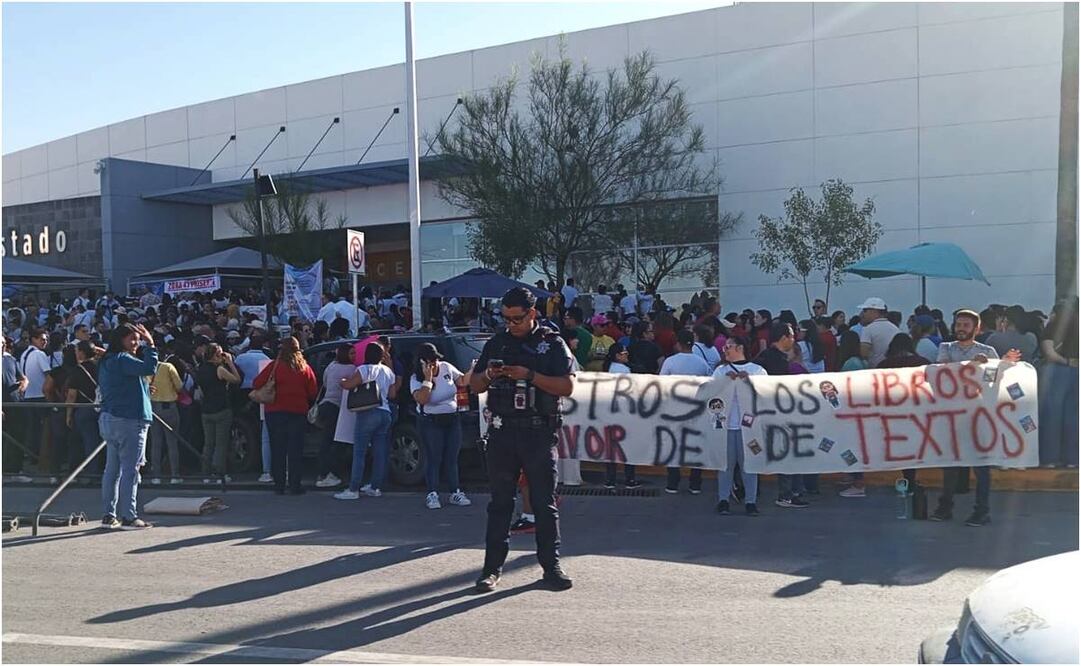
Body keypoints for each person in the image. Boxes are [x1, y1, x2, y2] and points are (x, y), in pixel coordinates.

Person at [470, 286, 576, 593]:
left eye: (516, 319)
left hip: (538, 432)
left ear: (532, 314)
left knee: (544, 503)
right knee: (500, 503)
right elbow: (475, 385)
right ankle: (491, 570)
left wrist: (529, 375)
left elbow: (567, 387)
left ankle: (551, 566)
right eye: (506, 319)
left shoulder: (551, 344)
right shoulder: (496, 342)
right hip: (503, 432)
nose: (510, 325)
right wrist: (490, 375)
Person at [931, 309, 1020, 526]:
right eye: (958, 324)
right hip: (952, 416)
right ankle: (945, 507)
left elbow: (994, 381)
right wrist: (973, 366)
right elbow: (945, 375)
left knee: (981, 466)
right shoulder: (946, 348)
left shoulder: (987, 350)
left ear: (976, 329)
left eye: (966, 325)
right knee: (950, 465)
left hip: (980, 416)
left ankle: (982, 511)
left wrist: (1003, 364)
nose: (961, 328)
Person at [97, 322, 158, 530]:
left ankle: (108, 515)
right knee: (131, 470)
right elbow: (149, 367)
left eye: (138, 338)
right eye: (132, 338)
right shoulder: (124, 359)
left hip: (109, 418)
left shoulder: (107, 360)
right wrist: (151, 344)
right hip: (129, 420)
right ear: (120, 339)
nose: (136, 342)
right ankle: (129, 517)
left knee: (111, 470)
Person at [411, 342, 473, 509]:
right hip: (431, 421)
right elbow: (422, 399)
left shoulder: (446, 367)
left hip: (452, 418)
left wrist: (472, 368)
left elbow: (462, 381)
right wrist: (428, 379)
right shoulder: (415, 379)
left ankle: (455, 491)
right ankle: (432, 492)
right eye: (430, 362)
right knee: (434, 457)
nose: (435, 364)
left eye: (435, 360)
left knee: (452, 457)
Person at [254, 336, 318, 495]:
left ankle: (279, 485)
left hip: (275, 411)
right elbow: (313, 391)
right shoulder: (304, 368)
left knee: (278, 449)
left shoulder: (274, 366)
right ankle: (295, 485)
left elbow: (257, 383)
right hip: (297, 411)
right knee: (295, 450)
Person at [754, 322, 809, 508]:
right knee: (786, 454)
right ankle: (787, 494)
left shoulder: (765, 358)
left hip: (772, 414)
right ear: (784, 338)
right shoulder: (776, 361)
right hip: (779, 415)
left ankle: (790, 491)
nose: (794, 340)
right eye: (792, 336)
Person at [335, 342, 397, 500]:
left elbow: (349, 385)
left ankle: (353, 489)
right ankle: (375, 487)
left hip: (368, 412)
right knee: (380, 452)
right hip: (385, 412)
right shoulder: (388, 371)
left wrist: (342, 380)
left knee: (360, 452)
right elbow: (392, 394)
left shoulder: (364, 369)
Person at [714, 335, 765, 516]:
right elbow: (711, 396)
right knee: (725, 465)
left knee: (749, 465)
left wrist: (748, 381)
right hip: (727, 426)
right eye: (724, 347)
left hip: (750, 428)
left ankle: (751, 501)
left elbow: (765, 395)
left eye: (729, 346)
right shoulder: (720, 371)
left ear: (740, 347)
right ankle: (723, 499)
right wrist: (723, 383)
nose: (725, 350)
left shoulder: (757, 370)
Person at [659, 329, 711, 494]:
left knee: (673, 444)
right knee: (695, 444)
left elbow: (661, 383)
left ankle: (672, 482)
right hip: (696, 408)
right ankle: (695, 483)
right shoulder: (701, 363)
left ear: (678, 344)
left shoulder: (670, 362)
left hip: (674, 407)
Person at [1038, 299, 1078, 468]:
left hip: (1057, 372)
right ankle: (1073, 458)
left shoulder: (1054, 326)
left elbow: (1049, 352)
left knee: (1052, 416)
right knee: (1074, 417)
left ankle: (1050, 458)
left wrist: (1066, 361)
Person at [196, 343, 241, 482]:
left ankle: (206, 473)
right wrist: (231, 363)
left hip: (206, 410)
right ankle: (219, 473)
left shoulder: (200, 369)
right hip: (221, 408)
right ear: (215, 355)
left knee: (208, 443)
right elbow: (237, 379)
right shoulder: (219, 369)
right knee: (221, 443)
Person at [315, 343, 355, 488]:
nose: (354, 356)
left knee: (326, 441)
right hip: (338, 407)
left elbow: (325, 383)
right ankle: (329, 473)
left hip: (325, 405)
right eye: (351, 353)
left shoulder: (331, 366)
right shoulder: (352, 369)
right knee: (336, 442)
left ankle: (323, 472)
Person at [235, 334, 273, 483]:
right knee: (261, 428)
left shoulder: (241, 358)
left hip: (243, 393)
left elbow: (236, 373)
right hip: (261, 394)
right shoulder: (267, 360)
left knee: (246, 426)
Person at [602, 343, 639, 489]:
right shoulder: (625, 370)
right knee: (628, 446)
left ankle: (610, 480)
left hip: (608, 411)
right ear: (618, 355)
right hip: (625, 411)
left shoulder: (607, 368)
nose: (627, 355)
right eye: (624, 353)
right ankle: (630, 479)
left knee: (611, 447)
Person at [148, 347, 184, 484]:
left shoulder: (147, 369)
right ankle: (175, 475)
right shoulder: (168, 367)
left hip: (153, 407)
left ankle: (156, 476)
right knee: (172, 442)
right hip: (169, 406)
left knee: (156, 443)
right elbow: (179, 386)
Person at [65, 340, 102, 473]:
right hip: (103, 407)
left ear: (81, 353)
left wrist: (68, 414)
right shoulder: (101, 366)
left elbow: (72, 395)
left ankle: (92, 471)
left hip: (85, 408)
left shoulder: (78, 370)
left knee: (89, 441)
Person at [19, 327, 52, 463]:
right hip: (40, 395)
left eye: (46, 340)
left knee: (32, 428)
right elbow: (48, 374)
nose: (44, 342)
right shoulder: (39, 354)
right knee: (42, 429)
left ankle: (31, 455)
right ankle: (40, 457)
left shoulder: (24, 354)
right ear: (34, 339)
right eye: (42, 339)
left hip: (28, 396)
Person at [857, 297, 900, 368]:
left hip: (875, 371)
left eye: (865, 310)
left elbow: (863, 353)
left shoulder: (868, 329)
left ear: (874, 311)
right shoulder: (895, 329)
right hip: (892, 371)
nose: (862, 313)